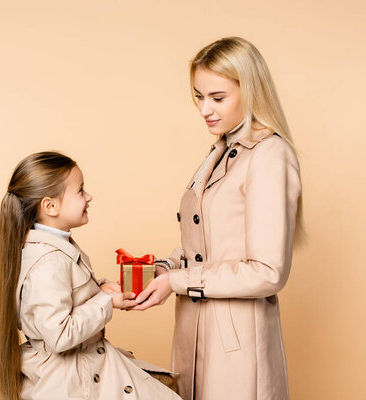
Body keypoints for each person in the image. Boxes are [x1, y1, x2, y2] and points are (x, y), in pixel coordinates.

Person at [133, 37, 305, 400]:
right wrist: (163, 269)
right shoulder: (221, 151)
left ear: (251, 90)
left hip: (237, 344)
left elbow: (267, 272)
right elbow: (209, 248)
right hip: (196, 332)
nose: (204, 109)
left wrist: (180, 281)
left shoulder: (269, 155)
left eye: (217, 97)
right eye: (198, 96)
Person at [0, 152, 182, 400]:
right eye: (80, 191)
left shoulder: (58, 246)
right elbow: (59, 335)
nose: (89, 197)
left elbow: (69, 297)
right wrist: (106, 302)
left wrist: (102, 290)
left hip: (84, 366)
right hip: (72, 381)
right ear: (50, 206)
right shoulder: (49, 261)